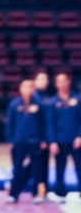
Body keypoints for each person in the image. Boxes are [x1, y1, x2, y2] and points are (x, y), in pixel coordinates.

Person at [5, 79, 46, 204]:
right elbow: (9, 123)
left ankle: (36, 194)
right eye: (25, 87)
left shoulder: (39, 104)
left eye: (30, 87)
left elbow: (43, 123)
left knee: (36, 168)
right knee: (17, 168)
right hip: (19, 141)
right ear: (20, 89)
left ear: (33, 89)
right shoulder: (14, 104)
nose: (27, 89)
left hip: (35, 141)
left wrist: (44, 139)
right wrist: (9, 140)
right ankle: (14, 194)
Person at [47, 71, 81, 203]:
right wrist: (52, 141)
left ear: (69, 82)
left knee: (80, 166)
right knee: (60, 167)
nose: (62, 84)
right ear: (56, 84)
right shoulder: (53, 102)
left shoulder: (77, 99)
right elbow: (50, 123)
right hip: (60, 140)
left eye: (64, 80)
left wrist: (80, 135)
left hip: (75, 140)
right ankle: (60, 193)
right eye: (58, 81)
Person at [33, 70, 52, 198]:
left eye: (45, 79)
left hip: (47, 136)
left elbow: (49, 120)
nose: (43, 82)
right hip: (34, 137)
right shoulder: (32, 97)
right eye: (40, 79)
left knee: (45, 163)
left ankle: (44, 189)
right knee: (35, 165)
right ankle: (36, 189)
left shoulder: (49, 98)